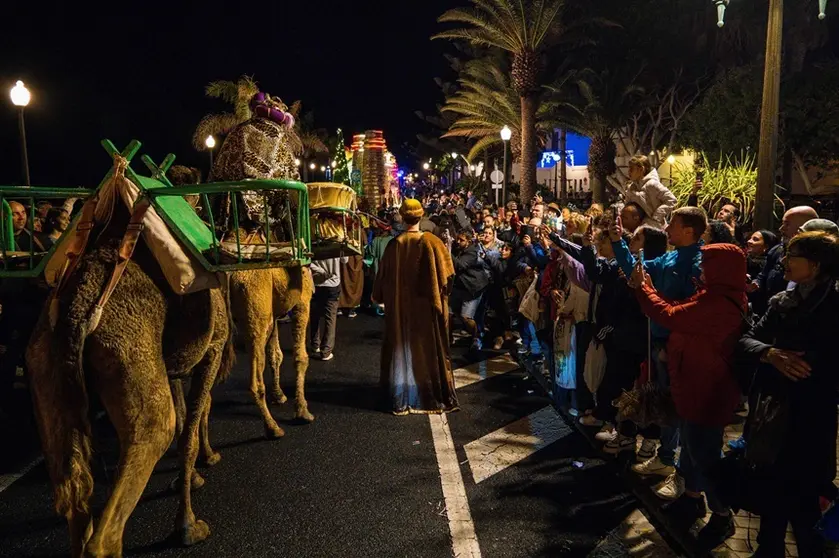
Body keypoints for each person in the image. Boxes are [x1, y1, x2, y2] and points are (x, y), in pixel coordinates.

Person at [632, 244, 746, 548]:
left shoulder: (719, 303)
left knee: (704, 454)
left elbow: (670, 315)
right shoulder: (710, 295)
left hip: (707, 390)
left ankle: (722, 515)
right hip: (695, 384)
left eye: (706, 263)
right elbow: (677, 310)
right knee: (693, 447)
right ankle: (692, 498)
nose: (701, 268)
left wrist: (644, 289)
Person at [739, 231, 839, 558]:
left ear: (815, 264)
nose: (784, 261)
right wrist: (769, 354)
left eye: (792, 256)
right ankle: (768, 549)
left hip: (813, 414)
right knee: (772, 486)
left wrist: (810, 363)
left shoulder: (834, 304)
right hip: (773, 411)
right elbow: (748, 339)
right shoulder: (784, 301)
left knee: (806, 495)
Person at [611, 207, 705, 495]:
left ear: (689, 231)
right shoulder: (670, 257)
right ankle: (665, 459)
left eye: (672, 225)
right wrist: (617, 242)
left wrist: (674, 341)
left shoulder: (699, 261)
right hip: (661, 343)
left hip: (679, 347)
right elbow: (636, 269)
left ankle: (679, 470)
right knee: (666, 406)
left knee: (681, 410)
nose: (666, 230)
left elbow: (692, 310)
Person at [372, 199, 458, 415]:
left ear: (402, 217)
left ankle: (401, 397)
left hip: (400, 308)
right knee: (427, 349)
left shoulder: (394, 245)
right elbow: (448, 276)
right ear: (422, 216)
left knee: (401, 348)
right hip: (426, 309)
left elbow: (381, 279)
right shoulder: (433, 242)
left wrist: (380, 296)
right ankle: (429, 394)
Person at [749, 206, 818, 301]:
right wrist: (756, 283)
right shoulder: (776, 250)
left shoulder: (815, 257)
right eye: (782, 224)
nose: (781, 229)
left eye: (787, 224)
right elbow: (764, 275)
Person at [614, 156, 677, 226]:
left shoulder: (652, 184)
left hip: (654, 228)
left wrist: (656, 217)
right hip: (636, 228)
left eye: (631, 169)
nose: (628, 172)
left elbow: (671, 200)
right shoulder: (631, 188)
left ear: (641, 170)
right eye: (628, 168)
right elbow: (627, 206)